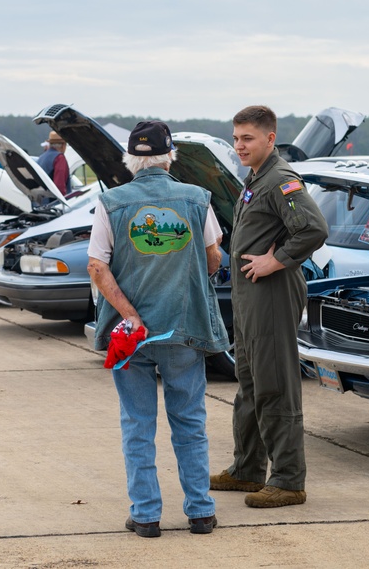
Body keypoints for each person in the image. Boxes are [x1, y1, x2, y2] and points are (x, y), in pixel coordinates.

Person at [86, 120, 227, 538]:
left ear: (130, 159)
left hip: (131, 336)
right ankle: (201, 512)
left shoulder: (110, 202)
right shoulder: (197, 199)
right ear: (171, 157)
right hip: (183, 329)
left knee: (137, 423)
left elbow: (97, 266)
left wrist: (130, 315)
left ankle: (146, 515)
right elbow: (214, 257)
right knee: (189, 422)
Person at [209, 105, 328, 508]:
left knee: (275, 384)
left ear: (270, 139)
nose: (240, 146)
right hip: (249, 296)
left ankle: (289, 480)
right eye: (237, 138)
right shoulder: (255, 179)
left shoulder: (280, 180)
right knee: (250, 382)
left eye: (248, 139)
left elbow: (313, 228)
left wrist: (275, 260)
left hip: (272, 293)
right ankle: (247, 469)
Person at [37, 130, 71, 195]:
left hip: (42, 201)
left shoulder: (41, 157)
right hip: (55, 202)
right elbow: (59, 186)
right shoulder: (59, 158)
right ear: (62, 145)